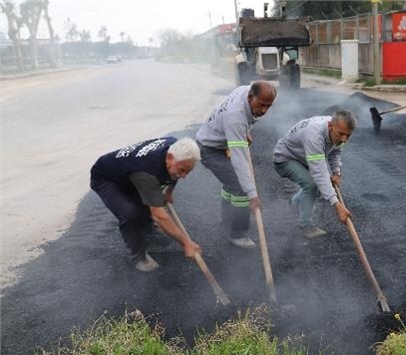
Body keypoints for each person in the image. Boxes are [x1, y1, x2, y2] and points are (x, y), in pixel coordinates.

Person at [90, 137, 203, 272]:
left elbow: (174, 175)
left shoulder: (176, 146)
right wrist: (186, 243)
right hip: (106, 178)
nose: (184, 176)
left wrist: (168, 192)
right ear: (169, 158)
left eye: (188, 171)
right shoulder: (148, 172)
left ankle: (147, 228)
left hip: (130, 174)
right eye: (183, 170)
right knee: (130, 214)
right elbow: (160, 215)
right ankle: (138, 256)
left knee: (149, 203)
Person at [195, 80, 277, 248]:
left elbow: (245, 120)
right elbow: (240, 160)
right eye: (261, 105)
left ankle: (226, 220)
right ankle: (238, 234)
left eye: (269, 106)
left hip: (220, 139)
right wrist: (252, 196)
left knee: (231, 181)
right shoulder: (235, 118)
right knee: (241, 186)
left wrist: (244, 132)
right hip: (209, 149)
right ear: (250, 97)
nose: (264, 110)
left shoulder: (245, 90)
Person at [273, 110, 356, 239]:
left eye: (348, 135)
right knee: (311, 185)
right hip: (285, 159)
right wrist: (337, 205)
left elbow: (335, 152)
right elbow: (319, 173)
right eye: (341, 134)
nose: (344, 139)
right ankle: (305, 226)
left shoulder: (338, 130)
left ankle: (295, 203)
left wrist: (336, 172)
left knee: (316, 188)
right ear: (330, 125)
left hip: (302, 158)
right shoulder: (314, 135)